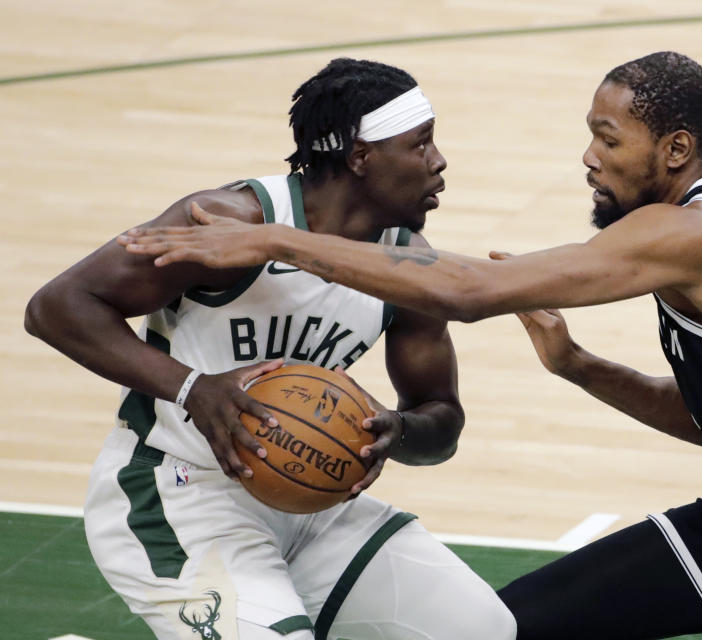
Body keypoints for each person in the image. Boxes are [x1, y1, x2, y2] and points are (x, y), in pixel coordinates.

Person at [116, 51, 702, 639]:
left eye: (608, 138)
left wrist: (276, 244)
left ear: (677, 150)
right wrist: (580, 367)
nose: (588, 157)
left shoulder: (698, 234)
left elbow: (467, 291)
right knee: (510, 627)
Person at [25, 57, 517, 640]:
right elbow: (56, 308)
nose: (438, 162)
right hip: (180, 494)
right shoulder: (228, 219)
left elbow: (443, 419)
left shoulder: (407, 264)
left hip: (310, 500)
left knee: (481, 629)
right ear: (361, 158)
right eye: (421, 144)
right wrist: (193, 388)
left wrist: (398, 430)